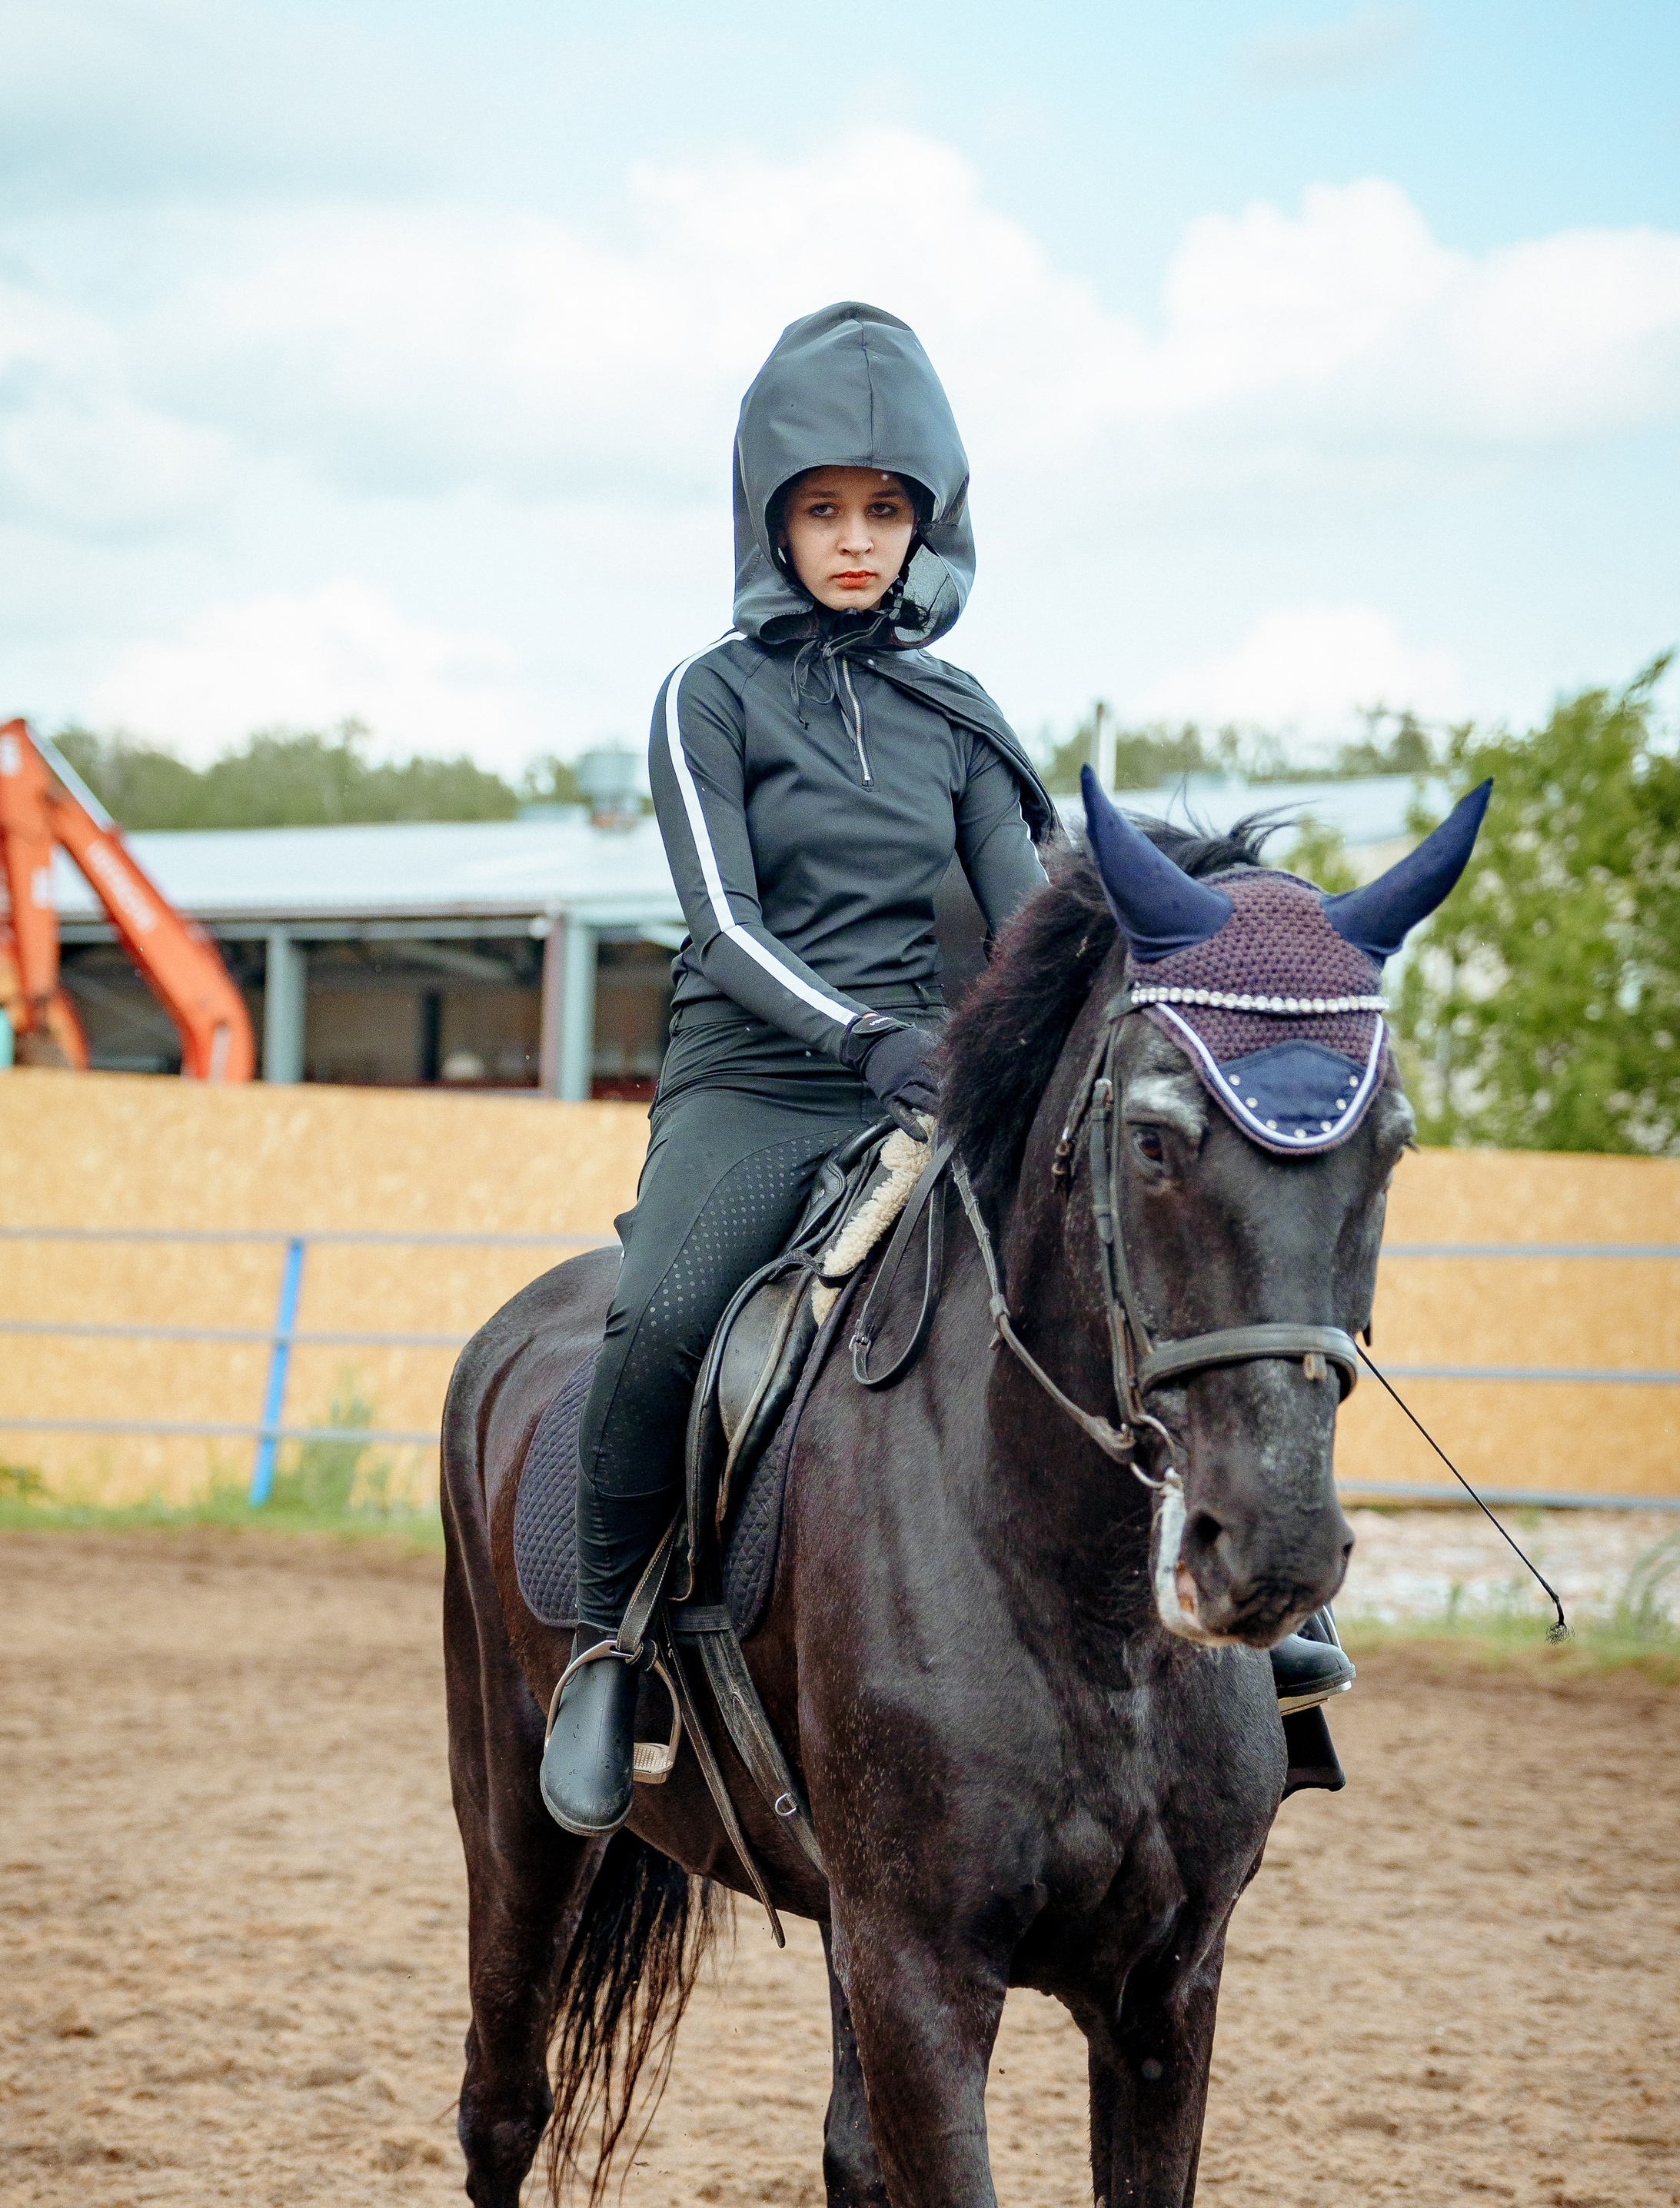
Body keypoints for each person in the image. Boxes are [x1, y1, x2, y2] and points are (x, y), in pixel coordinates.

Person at [541, 301, 1352, 1834]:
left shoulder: (959, 715)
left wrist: (1025, 1038)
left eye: (884, 510)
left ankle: (1257, 1594)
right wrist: (863, 1038)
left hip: (938, 1079)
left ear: (929, 524)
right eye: (822, 511)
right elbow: (721, 926)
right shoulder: (706, 696)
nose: (855, 541)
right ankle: (610, 1646)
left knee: (1135, 1270)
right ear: (770, 521)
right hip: (759, 1083)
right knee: (657, 1321)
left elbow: (1028, 912)